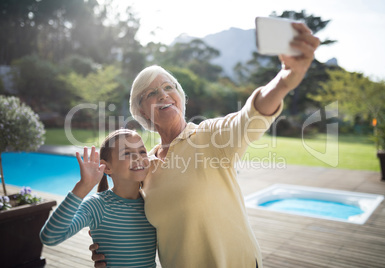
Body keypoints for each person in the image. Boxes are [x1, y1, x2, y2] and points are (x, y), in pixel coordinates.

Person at [91, 22, 320, 267]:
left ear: (180, 98)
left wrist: (284, 81)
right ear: (142, 112)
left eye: (169, 87)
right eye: (151, 93)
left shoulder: (210, 136)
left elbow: (249, 118)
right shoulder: (144, 168)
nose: (163, 94)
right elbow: (134, 222)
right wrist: (111, 250)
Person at [40, 129, 157, 268]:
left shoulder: (152, 203)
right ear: (107, 167)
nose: (138, 157)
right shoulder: (97, 206)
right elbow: (50, 237)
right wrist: (83, 186)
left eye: (142, 151)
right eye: (127, 153)